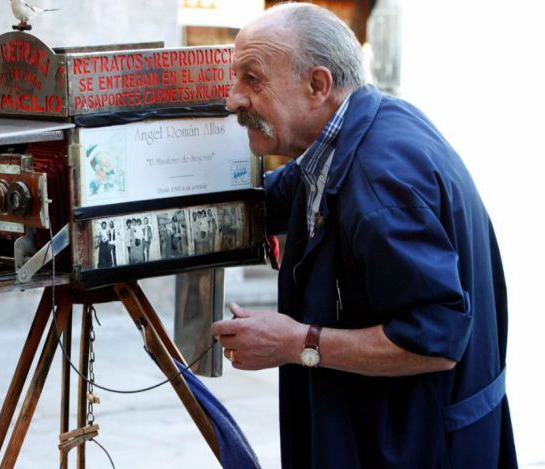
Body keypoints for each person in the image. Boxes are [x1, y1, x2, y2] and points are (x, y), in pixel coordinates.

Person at [210, 3, 516, 468]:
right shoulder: (357, 128)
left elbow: (434, 339)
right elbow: (279, 197)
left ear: (318, 86)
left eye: (252, 79)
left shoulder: (380, 185)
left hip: (417, 446)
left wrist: (297, 342)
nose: (233, 99)